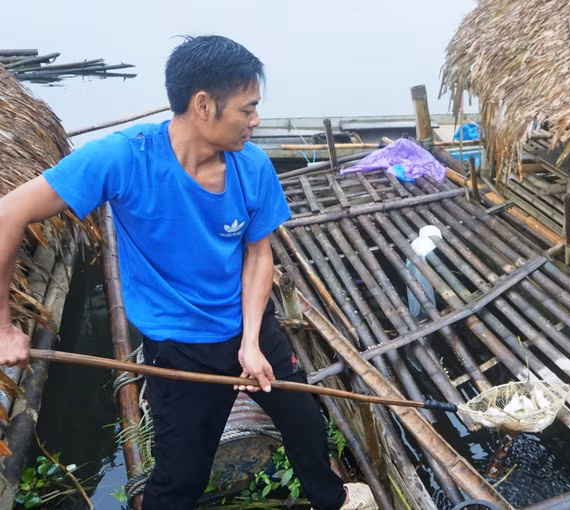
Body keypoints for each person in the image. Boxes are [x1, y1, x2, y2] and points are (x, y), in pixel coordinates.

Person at [0, 35, 375, 510]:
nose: (256, 121)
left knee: (304, 421)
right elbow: (7, 213)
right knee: (181, 477)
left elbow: (259, 257)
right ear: (203, 105)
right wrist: (4, 326)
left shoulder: (253, 167)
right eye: (247, 108)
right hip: (178, 348)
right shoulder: (124, 158)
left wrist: (252, 342)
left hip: (249, 326)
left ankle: (334, 499)